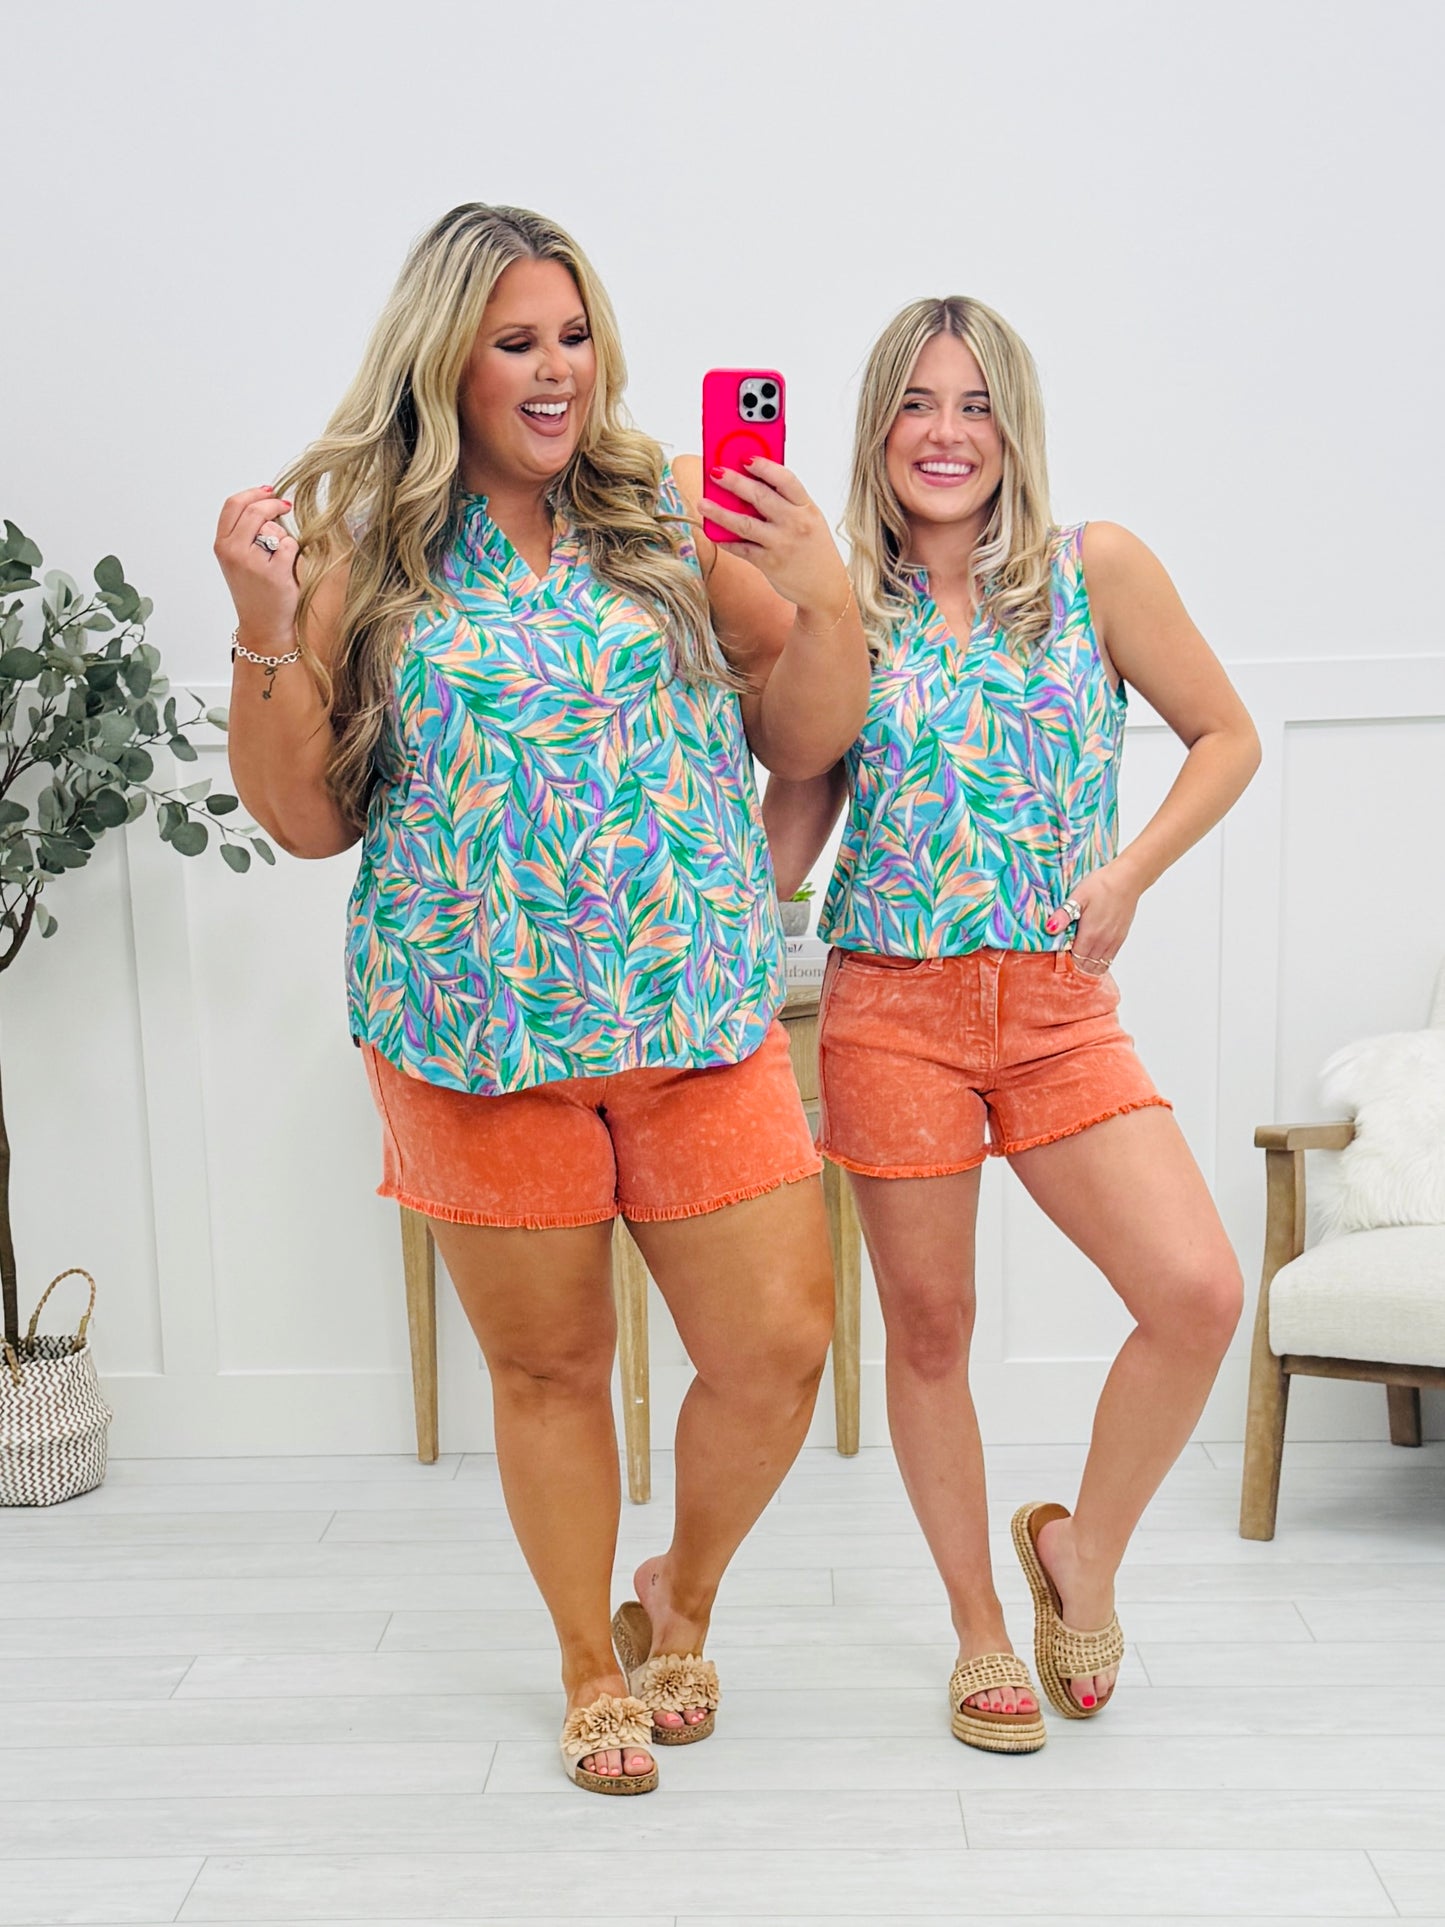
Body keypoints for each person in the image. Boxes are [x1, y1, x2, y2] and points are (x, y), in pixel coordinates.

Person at [213, 203, 869, 1794]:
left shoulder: (667, 514)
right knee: (551, 1370)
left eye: (572, 335)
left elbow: (803, 738)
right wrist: (261, 627)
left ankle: (677, 1598)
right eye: (516, 342)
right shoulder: (362, 551)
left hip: (693, 1013)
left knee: (777, 1344)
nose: (555, 368)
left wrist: (825, 596)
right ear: (446, 358)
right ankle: (587, 1659)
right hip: (472, 1031)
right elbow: (308, 820)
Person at [764, 296, 1259, 1753]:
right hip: (889, 1008)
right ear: (877, 428)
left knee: (1196, 1293)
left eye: (974, 404)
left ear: (1012, 427)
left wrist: (1129, 871)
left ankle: (1079, 1555)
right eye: (916, 404)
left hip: (1054, 1007)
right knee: (931, 1331)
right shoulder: (837, 602)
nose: (945, 433)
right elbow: (795, 818)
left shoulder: (1094, 571)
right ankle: (979, 1629)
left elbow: (1225, 735)